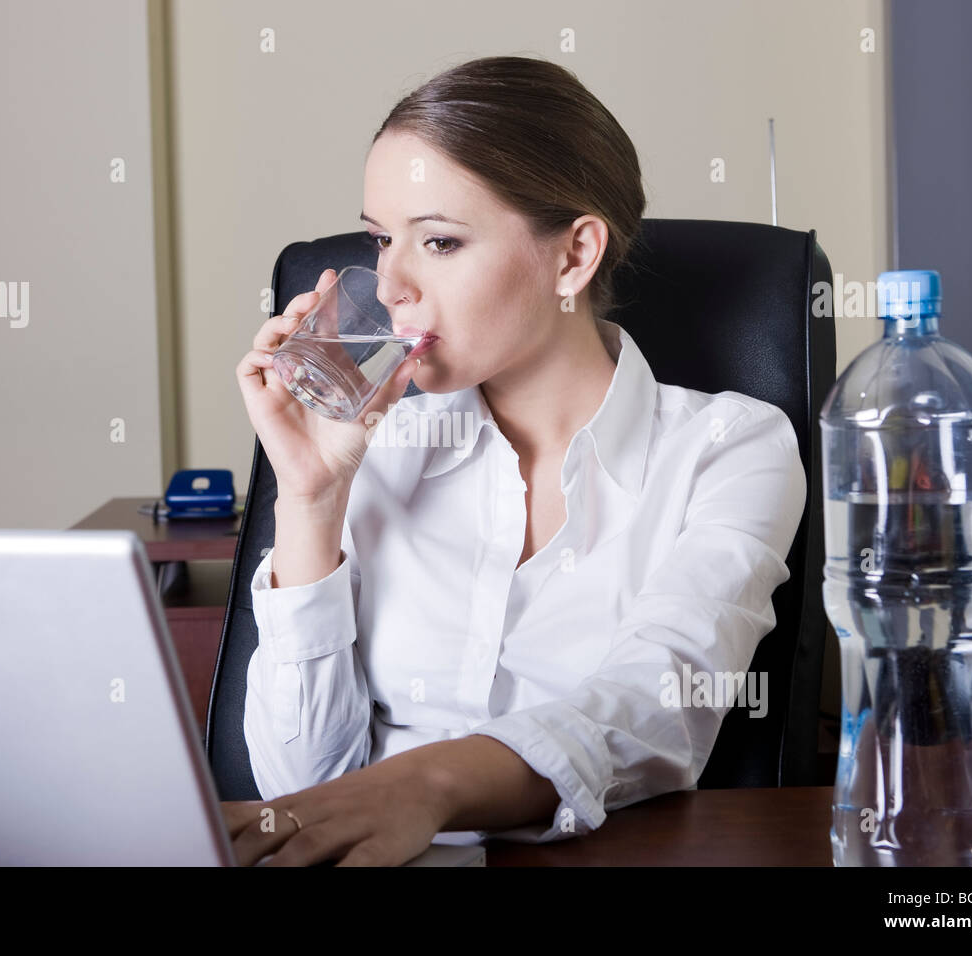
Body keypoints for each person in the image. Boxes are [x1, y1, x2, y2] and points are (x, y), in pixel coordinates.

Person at [228, 55, 805, 866]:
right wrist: (311, 499)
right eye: (379, 240)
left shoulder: (729, 449)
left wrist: (423, 787)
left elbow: (657, 702)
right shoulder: (377, 449)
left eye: (438, 241)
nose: (390, 285)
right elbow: (300, 787)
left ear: (572, 258)